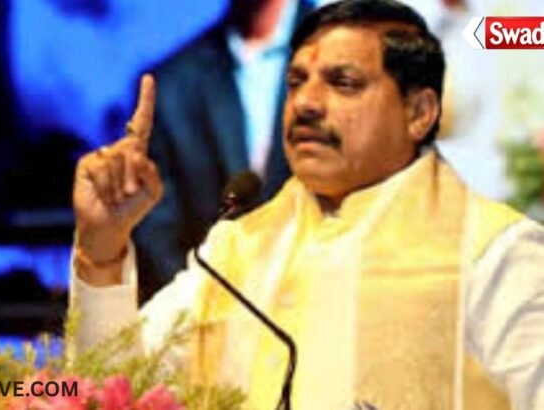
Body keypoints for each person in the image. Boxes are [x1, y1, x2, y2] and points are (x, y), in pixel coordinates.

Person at [70, 0, 544, 409]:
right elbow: (111, 386)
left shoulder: (492, 253)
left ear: (418, 113)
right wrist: (102, 251)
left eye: (344, 82)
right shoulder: (232, 253)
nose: (306, 103)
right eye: (296, 81)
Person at [134, 0, 313, 300]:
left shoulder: (352, 58)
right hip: (207, 313)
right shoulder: (171, 84)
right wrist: (205, 309)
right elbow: (155, 228)